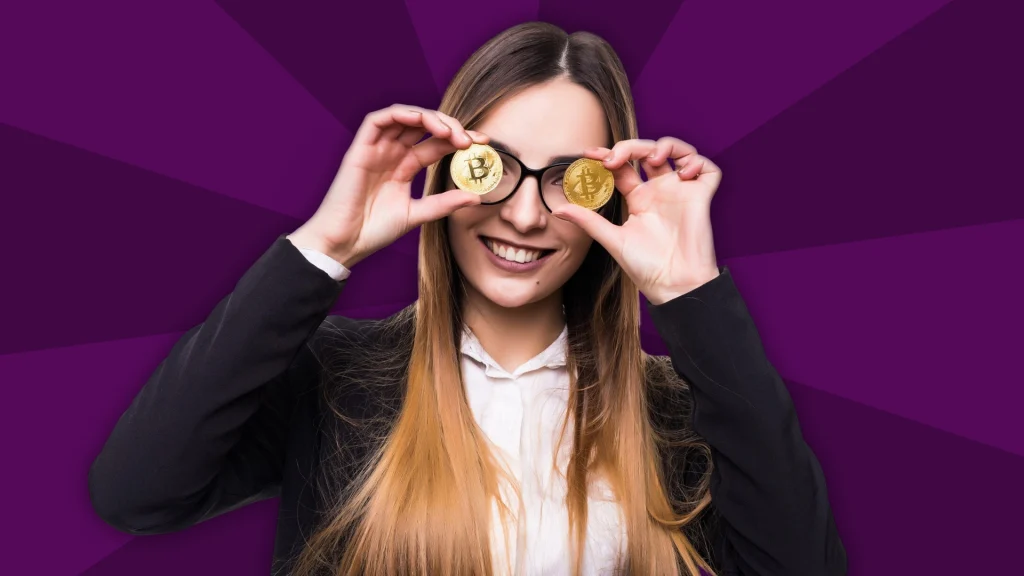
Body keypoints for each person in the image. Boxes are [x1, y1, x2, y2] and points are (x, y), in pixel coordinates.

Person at [88, 21, 846, 576]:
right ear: (454, 167)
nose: (523, 215)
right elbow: (137, 493)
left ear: (608, 199)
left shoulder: (678, 411)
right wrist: (327, 245)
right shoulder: (337, 380)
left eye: (567, 180)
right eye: (495, 168)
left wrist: (689, 292)